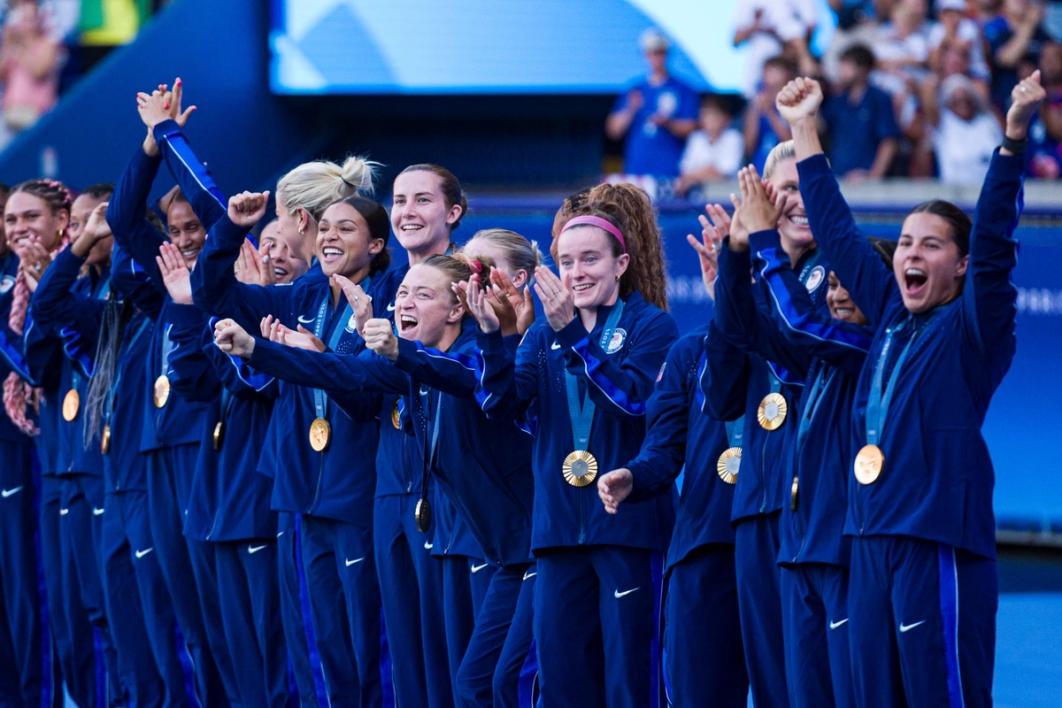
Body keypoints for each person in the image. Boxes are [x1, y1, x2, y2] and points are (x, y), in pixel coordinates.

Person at [776, 69, 1043, 705]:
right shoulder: (891, 316)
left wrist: (1011, 142)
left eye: (929, 245)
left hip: (936, 539)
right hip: (867, 539)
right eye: (903, 244)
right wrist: (804, 128)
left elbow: (998, 240)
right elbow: (838, 234)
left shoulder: (974, 329)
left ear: (960, 264)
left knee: (937, 693)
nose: (909, 255)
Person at [469, 193, 678, 706]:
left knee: (630, 680)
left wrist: (572, 337)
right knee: (563, 684)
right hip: (558, 534)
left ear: (621, 263)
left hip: (627, 532)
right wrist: (494, 338)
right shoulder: (541, 334)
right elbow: (504, 406)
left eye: (590, 259)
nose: (577, 272)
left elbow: (631, 403)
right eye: (566, 261)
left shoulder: (651, 327)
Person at [596, 216, 748, 707]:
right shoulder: (689, 353)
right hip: (704, 544)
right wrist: (633, 475)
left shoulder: (796, 351)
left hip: (776, 544)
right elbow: (665, 448)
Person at [701, 139, 829, 708]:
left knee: (822, 678)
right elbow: (723, 395)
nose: (797, 202)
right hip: (756, 505)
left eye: (808, 187)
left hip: (822, 505)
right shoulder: (753, 284)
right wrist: (732, 268)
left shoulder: (852, 275)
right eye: (784, 191)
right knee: (773, 682)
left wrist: (750, 254)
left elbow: (798, 345)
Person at [605, 28, 698, 177]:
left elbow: (692, 127)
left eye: (660, 52)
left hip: (670, 171)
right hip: (636, 170)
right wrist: (631, 109)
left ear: (667, 54)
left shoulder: (683, 89)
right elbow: (613, 130)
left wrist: (668, 123)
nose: (656, 58)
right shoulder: (634, 90)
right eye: (651, 53)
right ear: (644, 55)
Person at [822, 43, 901, 179]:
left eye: (847, 66)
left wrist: (873, 176)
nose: (841, 72)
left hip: (867, 181)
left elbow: (889, 141)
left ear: (863, 69)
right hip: (838, 178)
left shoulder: (879, 99)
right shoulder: (837, 101)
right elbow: (820, 128)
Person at [921, 73, 1003, 184]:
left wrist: (983, 98)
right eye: (956, 100)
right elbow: (928, 95)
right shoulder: (943, 123)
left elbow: (1007, 135)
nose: (962, 103)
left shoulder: (987, 120)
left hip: (990, 191)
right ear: (948, 102)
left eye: (966, 99)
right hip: (956, 194)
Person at [675, 94, 744, 196]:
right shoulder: (696, 138)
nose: (709, 119)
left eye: (714, 114)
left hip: (726, 196)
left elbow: (723, 174)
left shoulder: (734, 138)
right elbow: (685, 172)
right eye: (705, 114)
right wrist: (706, 172)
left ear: (726, 118)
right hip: (697, 194)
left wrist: (695, 176)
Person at [743, 56, 798, 173]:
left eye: (775, 71)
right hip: (760, 168)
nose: (770, 76)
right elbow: (748, 145)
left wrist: (770, 112)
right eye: (767, 71)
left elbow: (791, 142)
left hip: (786, 169)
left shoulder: (793, 103)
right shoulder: (756, 103)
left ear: (786, 75)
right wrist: (755, 111)